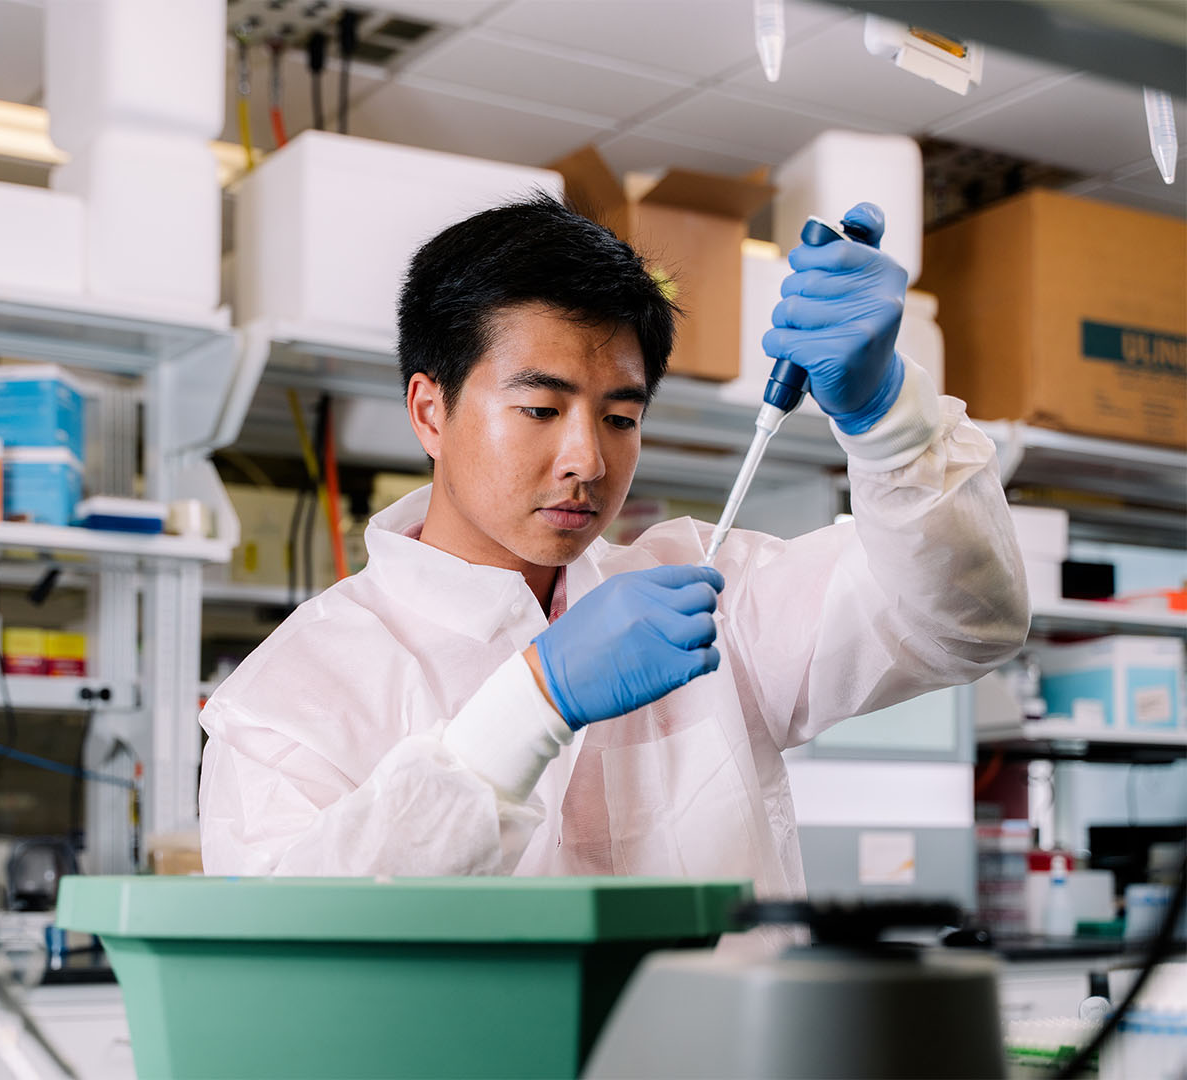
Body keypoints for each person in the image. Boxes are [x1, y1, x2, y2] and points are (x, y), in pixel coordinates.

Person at [199, 195, 1029, 902]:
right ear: (429, 412)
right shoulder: (290, 694)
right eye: (539, 409)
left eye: (621, 418)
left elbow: (965, 622)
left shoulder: (703, 596)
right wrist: (532, 704)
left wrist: (890, 420)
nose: (588, 461)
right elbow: (290, 949)